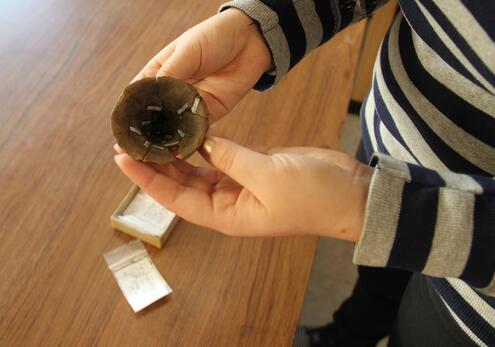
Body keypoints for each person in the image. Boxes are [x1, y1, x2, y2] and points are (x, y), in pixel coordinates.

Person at [114, 1, 495, 346]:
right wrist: (264, 23)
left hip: (475, 293)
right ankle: (346, 336)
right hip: (391, 148)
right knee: (377, 280)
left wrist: (367, 206)